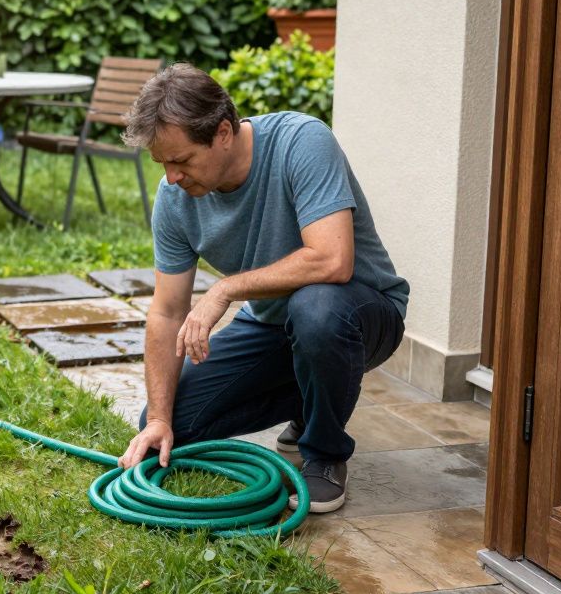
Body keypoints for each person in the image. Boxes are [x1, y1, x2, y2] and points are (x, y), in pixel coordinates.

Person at [114, 63, 410, 514]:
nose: (171, 177)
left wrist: (225, 290)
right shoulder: (174, 199)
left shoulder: (302, 142)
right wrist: (157, 418)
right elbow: (167, 311)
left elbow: (333, 259)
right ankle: (314, 398)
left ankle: (324, 454)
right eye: (162, 163)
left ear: (224, 133)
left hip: (359, 314)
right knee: (175, 425)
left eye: (182, 160)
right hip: (274, 325)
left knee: (317, 309)